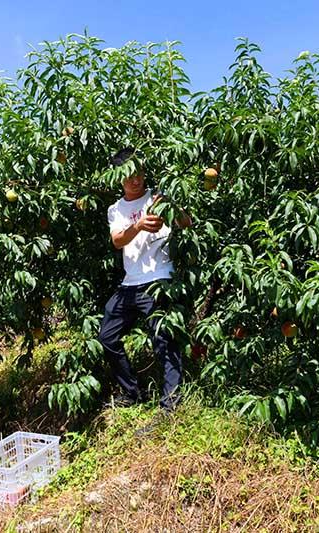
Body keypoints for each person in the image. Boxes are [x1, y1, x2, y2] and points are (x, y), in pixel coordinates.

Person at [98, 148, 192, 418]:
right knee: (107, 337)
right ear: (118, 177)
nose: (136, 180)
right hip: (130, 284)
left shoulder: (158, 197)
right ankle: (132, 393)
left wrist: (171, 208)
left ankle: (171, 405)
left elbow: (187, 223)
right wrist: (138, 225)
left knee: (164, 342)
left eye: (139, 173)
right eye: (129, 176)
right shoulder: (116, 209)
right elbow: (117, 240)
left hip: (159, 279)